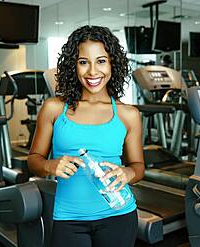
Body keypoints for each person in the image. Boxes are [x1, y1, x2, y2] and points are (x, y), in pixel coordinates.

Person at [28, 25, 145, 247]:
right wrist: (50, 166)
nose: (93, 71)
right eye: (84, 62)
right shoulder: (54, 108)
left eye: (101, 61)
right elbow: (33, 159)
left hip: (119, 215)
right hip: (69, 219)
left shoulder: (129, 114)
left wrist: (128, 172)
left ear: (112, 64)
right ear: (74, 65)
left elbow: (139, 166)